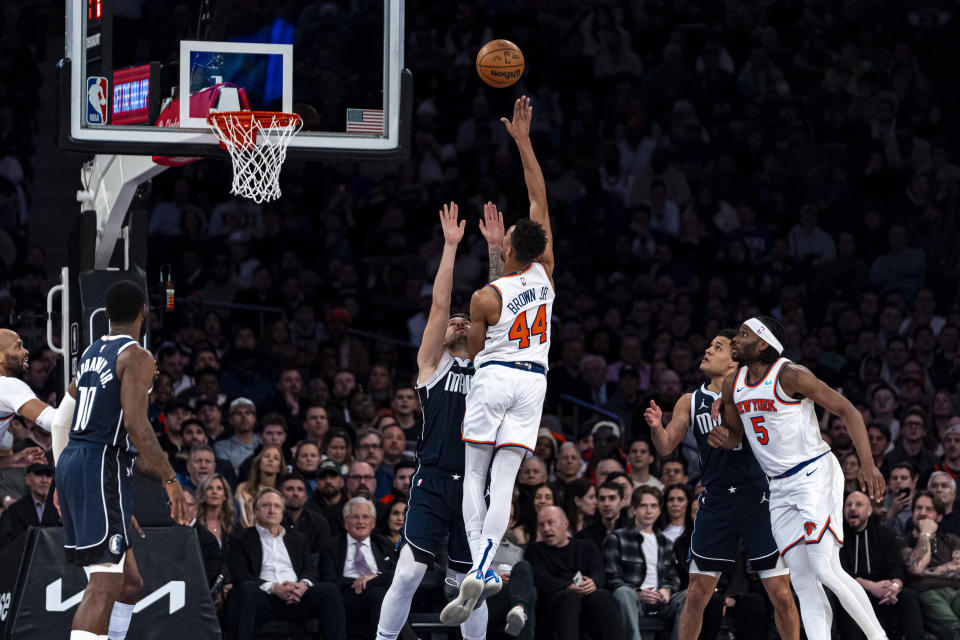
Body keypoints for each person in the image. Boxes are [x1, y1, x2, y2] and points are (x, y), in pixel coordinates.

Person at [446, 95, 557, 623]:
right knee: (506, 482)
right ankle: (488, 566)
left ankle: (478, 562)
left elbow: (473, 349)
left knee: (474, 475)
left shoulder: (485, 297)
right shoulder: (545, 270)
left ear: (510, 249)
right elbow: (538, 193)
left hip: (493, 379)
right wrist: (523, 140)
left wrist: (472, 336)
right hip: (534, 383)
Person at [709, 316, 886, 640]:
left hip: (814, 473)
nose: (735, 339)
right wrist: (723, 434)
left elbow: (848, 410)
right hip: (779, 486)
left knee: (825, 569)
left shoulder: (790, 374)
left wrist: (867, 464)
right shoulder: (732, 384)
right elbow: (736, 437)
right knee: (803, 581)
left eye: (744, 334)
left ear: (762, 344)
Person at [378, 200, 504, 640]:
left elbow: (499, 306)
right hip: (432, 481)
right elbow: (438, 304)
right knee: (409, 574)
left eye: (464, 321)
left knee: (471, 586)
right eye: (453, 321)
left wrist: (493, 251)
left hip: (475, 484)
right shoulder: (432, 366)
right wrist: (450, 246)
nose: (456, 320)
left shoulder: (489, 365)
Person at [55, 280, 188, 640]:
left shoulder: (90, 353)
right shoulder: (138, 356)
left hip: (86, 466)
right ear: (145, 312)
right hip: (99, 466)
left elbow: (61, 421)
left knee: (130, 584)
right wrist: (171, 480)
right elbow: (136, 424)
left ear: (107, 316)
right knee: (104, 584)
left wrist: (64, 475)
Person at [646, 328, 799, 640]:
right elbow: (665, 446)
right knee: (697, 594)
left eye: (717, 347)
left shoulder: (754, 394)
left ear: (733, 362)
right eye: (709, 345)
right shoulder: (689, 400)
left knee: (780, 593)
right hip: (717, 501)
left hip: (760, 500)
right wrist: (655, 427)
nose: (707, 350)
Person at [227, 488, 346, 640]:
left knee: (330, 590)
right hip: (264, 600)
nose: (272, 510)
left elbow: (310, 569)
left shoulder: (298, 538)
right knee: (246, 589)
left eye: (277, 506)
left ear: (282, 512)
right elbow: (240, 575)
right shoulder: (241, 538)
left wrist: (303, 585)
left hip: (297, 599)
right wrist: (275, 588)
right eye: (266, 505)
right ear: (255, 511)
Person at [525, 506, 621, 640]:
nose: (546, 529)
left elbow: (598, 571)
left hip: (586, 601)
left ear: (565, 524)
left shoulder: (586, 546)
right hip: (552, 604)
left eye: (550, 523)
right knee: (570, 596)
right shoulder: (534, 551)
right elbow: (542, 580)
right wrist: (569, 586)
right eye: (541, 525)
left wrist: (593, 582)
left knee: (602, 595)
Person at [840, 490, 923, 640]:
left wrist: (894, 588)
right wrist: (870, 586)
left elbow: (896, 567)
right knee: (847, 600)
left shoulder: (885, 535)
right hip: (855, 592)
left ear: (869, 510)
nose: (852, 508)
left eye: (859, 504)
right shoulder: (839, 538)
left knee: (908, 597)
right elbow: (841, 572)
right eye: (848, 505)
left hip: (884, 594)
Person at [603, 487, 683, 640]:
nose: (649, 511)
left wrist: (666, 590)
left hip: (661, 602)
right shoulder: (617, 538)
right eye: (643, 506)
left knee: (691, 596)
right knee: (623, 592)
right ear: (634, 509)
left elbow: (673, 577)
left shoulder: (665, 543)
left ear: (659, 510)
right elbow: (611, 577)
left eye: (653, 506)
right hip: (634, 600)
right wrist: (638, 593)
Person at [320, 497, 397, 639]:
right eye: (355, 517)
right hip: (348, 597)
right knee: (387, 582)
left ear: (373, 522)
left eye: (365, 517)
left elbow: (393, 576)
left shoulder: (383, 544)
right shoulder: (330, 546)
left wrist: (372, 578)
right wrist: (360, 581)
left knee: (380, 593)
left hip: (377, 597)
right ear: (346, 523)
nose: (360, 522)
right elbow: (329, 581)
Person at [0, 329, 65, 468]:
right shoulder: (8, 385)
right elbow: (54, 421)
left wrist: (11, 460)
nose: (26, 351)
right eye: (18, 346)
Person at [900, 490, 960, 638]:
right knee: (954, 629)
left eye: (929, 509)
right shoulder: (903, 541)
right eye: (918, 508)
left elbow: (958, 567)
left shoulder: (951, 539)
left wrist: (925, 572)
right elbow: (916, 567)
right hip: (927, 592)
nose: (922, 512)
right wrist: (925, 534)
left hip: (956, 590)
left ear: (939, 517)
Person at [0, 462, 59, 545]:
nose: (44, 480)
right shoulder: (13, 511)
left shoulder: (61, 510)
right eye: (38, 474)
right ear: (28, 479)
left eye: (48, 475)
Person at [279, 471, 331, 552]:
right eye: (289, 489)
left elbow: (321, 557)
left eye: (300, 489)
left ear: (305, 497)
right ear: (279, 495)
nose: (295, 493)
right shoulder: (270, 522)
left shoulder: (319, 523)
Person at [196, 473, 237, 548]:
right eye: (209, 488)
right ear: (203, 494)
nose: (214, 492)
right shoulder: (194, 525)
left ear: (224, 496)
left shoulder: (234, 526)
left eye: (219, 488)